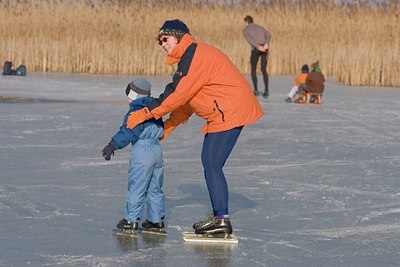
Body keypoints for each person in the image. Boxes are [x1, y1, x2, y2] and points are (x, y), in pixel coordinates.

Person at [125, 19, 264, 236]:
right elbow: (187, 101)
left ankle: (221, 220)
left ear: (179, 37)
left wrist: (145, 113)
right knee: (210, 161)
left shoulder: (195, 55)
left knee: (212, 162)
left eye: (166, 39)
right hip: (224, 111)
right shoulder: (189, 58)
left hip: (230, 109)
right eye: (160, 41)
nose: (163, 44)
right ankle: (220, 217)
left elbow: (175, 94)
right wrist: (168, 126)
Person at [101, 78, 165, 232]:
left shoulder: (137, 112)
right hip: (157, 151)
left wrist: (113, 144)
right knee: (155, 187)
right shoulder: (155, 109)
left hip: (142, 152)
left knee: (136, 186)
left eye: (129, 93)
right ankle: (156, 220)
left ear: (135, 95)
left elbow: (129, 131)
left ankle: (131, 220)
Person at [242, 15, 272, 98]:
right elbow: (268, 35)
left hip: (256, 49)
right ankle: (266, 90)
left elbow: (250, 40)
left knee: (253, 70)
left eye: (245, 22)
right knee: (263, 69)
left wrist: (258, 47)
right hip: (265, 48)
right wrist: (266, 44)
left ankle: (255, 90)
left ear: (246, 22)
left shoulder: (245, 30)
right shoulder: (260, 27)